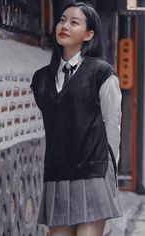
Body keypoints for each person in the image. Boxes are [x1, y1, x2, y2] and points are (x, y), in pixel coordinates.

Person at [30, 2, 122, 236]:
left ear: (89, 34)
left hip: (93, 173)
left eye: (74, 22)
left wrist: (109, 175)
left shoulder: (102, 73)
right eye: (62, 20)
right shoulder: (41, 79)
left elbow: (112, 126)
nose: (65, 26)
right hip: (57, 175)